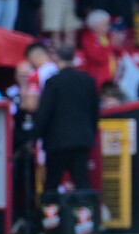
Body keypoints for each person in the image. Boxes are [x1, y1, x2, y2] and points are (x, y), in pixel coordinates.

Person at [31, 46, 99, 198]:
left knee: (52, 183)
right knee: (82, 182)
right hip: (82, 139)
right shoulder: (88, 81)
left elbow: (44, 113)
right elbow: (95, 113)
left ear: (57, 59)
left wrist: (33, 138)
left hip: (57, 142)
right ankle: (85, 220)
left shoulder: (53, 82)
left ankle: (50, 220)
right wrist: (90, 135)